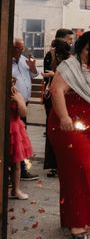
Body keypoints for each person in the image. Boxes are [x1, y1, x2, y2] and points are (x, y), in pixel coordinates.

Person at [48, 31, 90, 238]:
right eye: (89, 49)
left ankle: (87, 214)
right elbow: (56, 91)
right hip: (68, 126)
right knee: (79, 170)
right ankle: (77, 223)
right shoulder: (69, 66)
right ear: (80, 46)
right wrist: (64, 117)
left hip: (89, 127)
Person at [11, 37, 39, 181]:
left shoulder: (23, 60)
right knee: (15, 140)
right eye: (17, 48)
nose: (20, 51)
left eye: (22, 48)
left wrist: (33, 67)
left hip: (23, 105)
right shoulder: (6, 60)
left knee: (22, 139)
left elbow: (34, 75)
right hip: (12, 106)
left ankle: (21, 169)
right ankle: (16, 170)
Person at [43, 39, 72, 178]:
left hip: (63, 102)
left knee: (61, 134)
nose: (51, 51)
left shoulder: (67, 64)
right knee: (53, 133)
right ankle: (55, 164)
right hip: (53, 101)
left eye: (52, 49)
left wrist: (53, 76)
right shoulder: (53, 60)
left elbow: (68, 81)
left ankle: (61, 164)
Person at [8, 77, 33, 200]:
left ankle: (16, 189)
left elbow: (23, 113)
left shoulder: (17, 95)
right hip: (5, 127)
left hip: (15, 128)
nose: (13, 85)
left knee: (16, 162)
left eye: (13, 82)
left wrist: (18, 100)